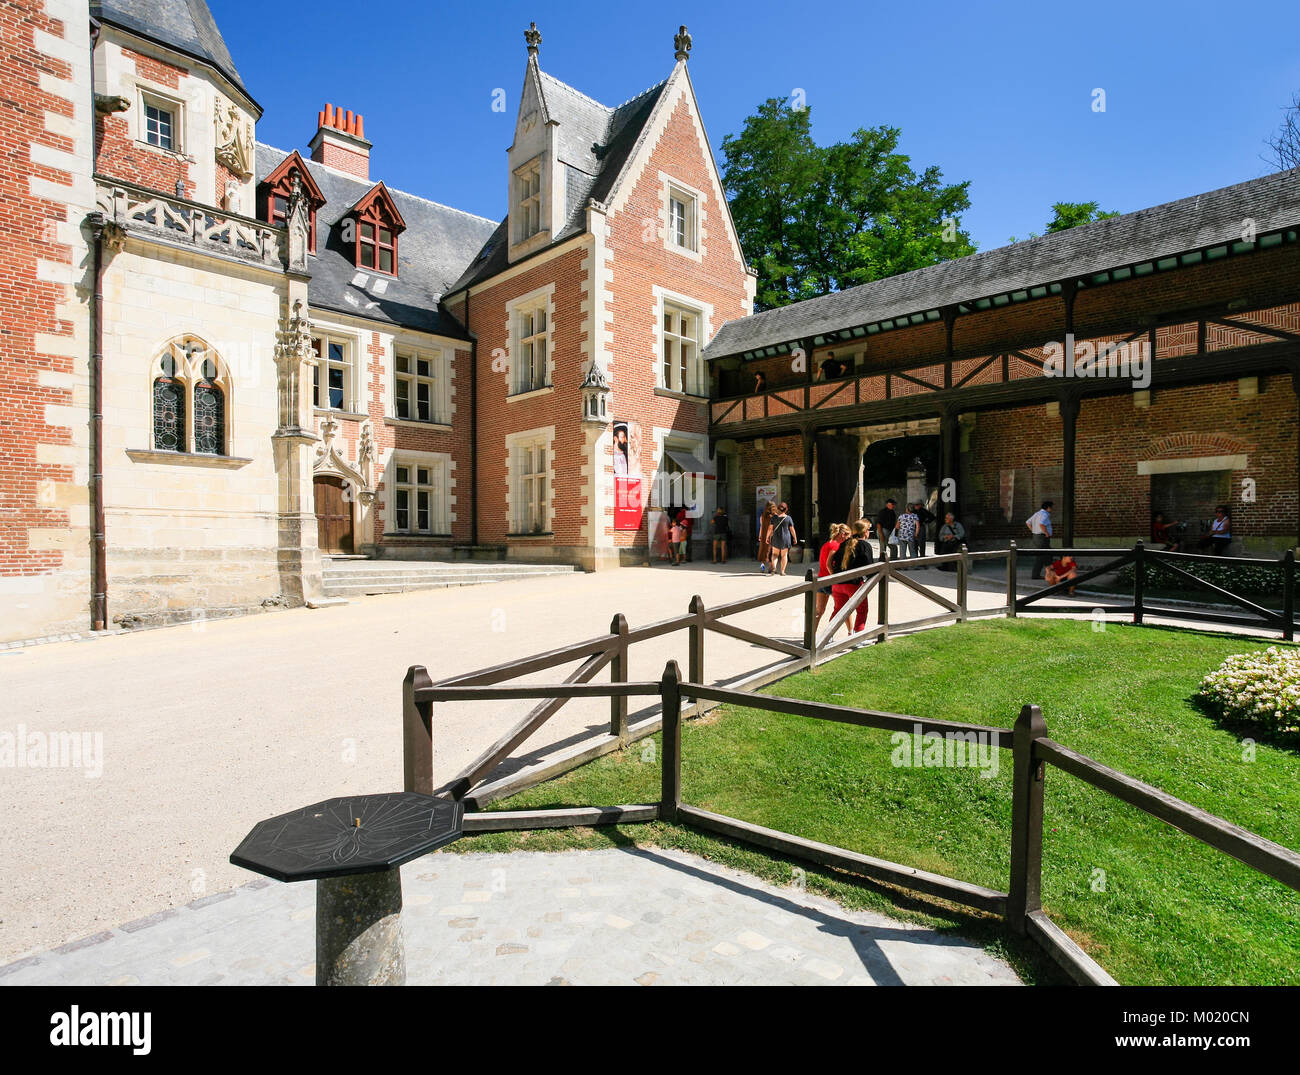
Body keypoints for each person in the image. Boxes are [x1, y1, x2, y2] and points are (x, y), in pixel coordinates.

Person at [831, 520, 875, 633]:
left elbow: (833, 561)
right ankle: (858, 635)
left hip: (837, 583)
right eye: (868, 530)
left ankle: (828, 636)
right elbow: (869, 567)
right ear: (865, 532)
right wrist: (871, 579)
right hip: (854, 584)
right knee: (862, 610)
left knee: (838, 610)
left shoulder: (844, 543)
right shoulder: (865, 545)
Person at [814, 523, 850, 633]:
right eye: (848, 535)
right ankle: (851, 631)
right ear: (842, 534)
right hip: (830, 581)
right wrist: (835, 577)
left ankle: (811, 634)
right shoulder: (836, 546)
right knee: (844, 607)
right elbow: (828, 564)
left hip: (821, 579)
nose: (849, 538)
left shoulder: (827, 544)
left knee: (819, 611)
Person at [768, 501, 797, 577]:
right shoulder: (788, 518)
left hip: (776, 538)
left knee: (774, 554)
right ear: (786, 509)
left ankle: (774, 568)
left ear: (778, 509)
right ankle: (782, 571)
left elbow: (770, 529)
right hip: (785, 538)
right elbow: (792, 529)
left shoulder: (774, 517)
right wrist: (795, 538)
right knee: (784, 555)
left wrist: (767, 537)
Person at [1025, 500, 1053, 579]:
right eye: (1051, 508)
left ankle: (1039, 573)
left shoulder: (1037, 513)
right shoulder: (1045, 514)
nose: (1051, 509)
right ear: (1048, 507)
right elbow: (1041, 524)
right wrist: (1046, 532)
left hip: (1036, 536)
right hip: (1042, 537)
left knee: (1044, 554)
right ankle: (1048, 573)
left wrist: (1033, 530)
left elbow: (1027, 522)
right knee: (1045, 555)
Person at [757, 501, 776, 574]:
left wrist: (760, 535)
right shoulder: (775, 516)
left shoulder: (763, 516)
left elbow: (761, 527)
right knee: (771, 552)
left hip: (764, 536)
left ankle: (762, 567)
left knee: (763, 552)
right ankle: (771, 568)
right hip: (772, 536)